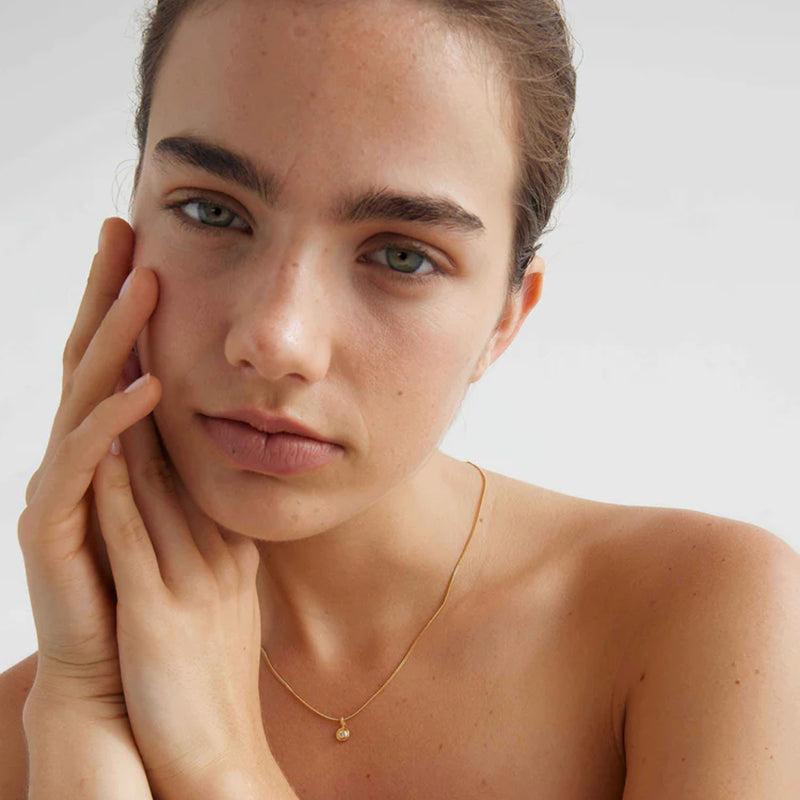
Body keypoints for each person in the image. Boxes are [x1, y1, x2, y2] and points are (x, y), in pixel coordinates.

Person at [2, 0, 799, 798]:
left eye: (402, 257)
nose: (277, 338)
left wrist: (219, 765)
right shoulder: (29, 729)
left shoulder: (703, 618)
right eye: (211, 212)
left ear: (505, 319)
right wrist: (85, 708)